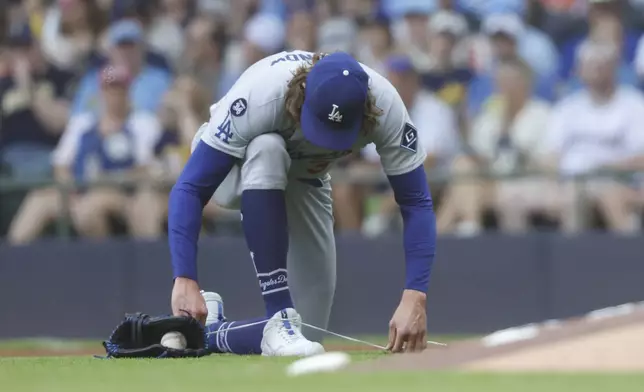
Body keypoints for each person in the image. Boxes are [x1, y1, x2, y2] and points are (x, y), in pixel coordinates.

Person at [169, 51, 436, 356]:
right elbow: (189, 188)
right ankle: (278, 310)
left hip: (308, 178)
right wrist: (185, 277)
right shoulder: (263, 95)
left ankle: (211, 333)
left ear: (365, 112)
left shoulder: (386, 105)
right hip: (235, 168)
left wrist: (416, 295)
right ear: (302, 94)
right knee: (267, 148)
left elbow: (416, 202)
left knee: (306, 338)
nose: (325, 140)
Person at [8, 65, 161, 244]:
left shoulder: (141, 123)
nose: (114, 95)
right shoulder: (82, 123)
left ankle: (108, 265)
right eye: (110, 89)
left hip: (122, 192)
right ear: (101, 92)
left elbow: (148, 170)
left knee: (92, 209)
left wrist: (110, 180)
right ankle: (10, 261)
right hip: (79, 191)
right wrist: (72, 191)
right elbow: (61, 165)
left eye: (120, 89)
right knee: (38, 200)